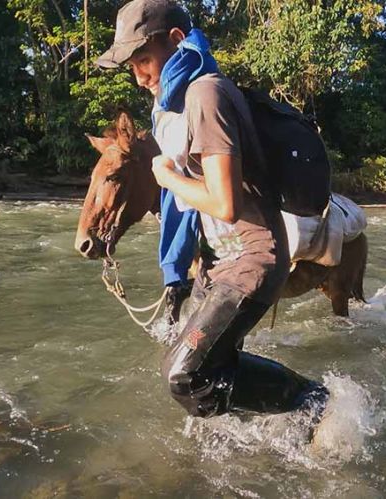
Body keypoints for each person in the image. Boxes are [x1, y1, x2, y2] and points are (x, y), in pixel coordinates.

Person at [96, 0, 326, 419]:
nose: (139, 75)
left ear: (177, 41)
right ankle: (255, 437)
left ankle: (311, 401)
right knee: (196, 364)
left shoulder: (206, 94)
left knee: (183, 376)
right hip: (219, 262)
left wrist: (166, 178)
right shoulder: (185, 99)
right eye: (132, 65)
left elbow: (224, 203)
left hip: (253, 259)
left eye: (143, 59)